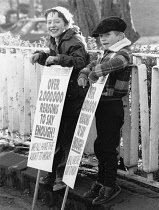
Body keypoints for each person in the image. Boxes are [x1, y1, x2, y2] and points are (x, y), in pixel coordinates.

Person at [30, 6, 89, 191]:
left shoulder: (74, 40)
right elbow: (54, 58)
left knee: (67, 139)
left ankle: (62, 177)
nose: (52, 25)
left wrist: (58, 59)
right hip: (60, 97)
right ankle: (52, 173)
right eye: (49, 22)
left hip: (73, 97)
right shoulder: (57, 40)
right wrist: (41, 56)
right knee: (54, 136)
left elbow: (80, 61)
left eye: (57, 21)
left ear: (65, 23)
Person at [78, 16, 133, 205]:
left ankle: (111, 184)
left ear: (120, 35)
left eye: (108, 35)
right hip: (101, 104)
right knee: (101, 145)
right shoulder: (106, 53)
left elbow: (118, 63)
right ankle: (101, 181)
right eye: (101, 36)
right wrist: (85, 73)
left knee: (109, 147)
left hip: (113, 106)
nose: (103, 39)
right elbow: (91, 65)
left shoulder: (123, 52)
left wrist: (96, 72)